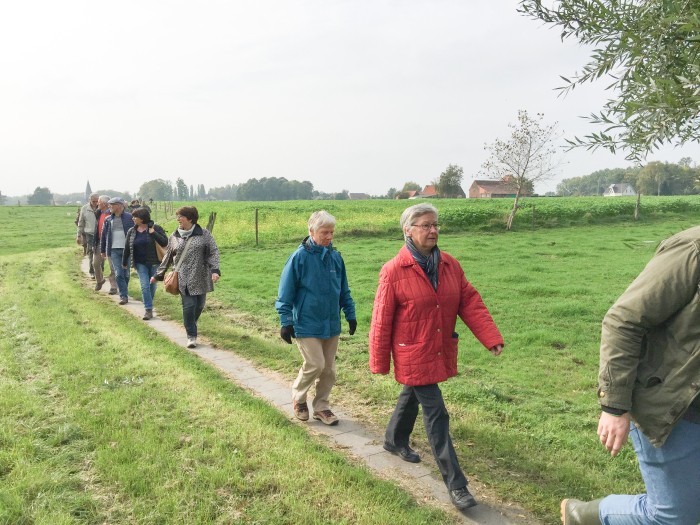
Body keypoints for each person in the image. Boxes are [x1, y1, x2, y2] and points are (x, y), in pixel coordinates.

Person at [369, 203, 504, 512]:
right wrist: (379, 360)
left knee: (411, 396)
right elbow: (381, 319)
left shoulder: (449, 265)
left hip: (438, 348)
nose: (433, 230)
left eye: (435, 225)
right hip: (411, 352)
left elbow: (469, 301)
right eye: (425, 225)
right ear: (408, 230)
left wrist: (491, 338)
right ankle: (456, 484)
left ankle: (394, 439)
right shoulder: (393, 271)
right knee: (437, 414)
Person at [561, 226, 700, 525]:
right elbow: (623, 321)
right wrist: (614, 406)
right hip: (676, 406)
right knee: (673, 517)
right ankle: (584, 515)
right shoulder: (692, 250)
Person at [275, 210, 357, 426]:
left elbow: (343, 290)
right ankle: (299, 397)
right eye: (324, 232)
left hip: (331, 322)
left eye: (332, 232)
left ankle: (321, 407)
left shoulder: (335, 257)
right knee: (316, 364)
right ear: (311, 231)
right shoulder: (299, 258)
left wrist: (350, 314)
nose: (329, 237)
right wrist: (286, 322)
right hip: (306, 321)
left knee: (329, 370)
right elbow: (285, 293)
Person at [152, 206, 220, 348]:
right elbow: (168, 256)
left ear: (190, 218)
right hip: (183, 276)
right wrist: (159, 274)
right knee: (189, 306)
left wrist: (215, 270)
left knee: (199, 305)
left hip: (201, 275)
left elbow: (213, 252)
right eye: (178, 216)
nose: (178, 219)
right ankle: (191, 335)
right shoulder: (174, 236)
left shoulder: (204, 234)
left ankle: (190, 323)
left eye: (181, 216)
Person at [122, 207, 168, 320]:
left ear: (142, 218)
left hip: (155, 262)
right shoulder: (131, 231)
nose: (132, 218)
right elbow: (127, 247)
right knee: (144, 286)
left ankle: (149, 306)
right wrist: (124, 261)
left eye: (135, 217)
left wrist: (153, 233)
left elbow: (165, 242)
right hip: (140, 263)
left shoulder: (156, 228)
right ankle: (148, 309)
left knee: (152, 286)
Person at [101, 197, 135, 305]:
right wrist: (103, 250)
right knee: (118, 273)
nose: (109, 206)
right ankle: (123, 296)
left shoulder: (130, 218)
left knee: (126, 274)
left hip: (127, 251)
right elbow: (104, 236)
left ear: (119, 206)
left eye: (112, 204)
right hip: (114, 250)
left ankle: (123, 289)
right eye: (109, 204)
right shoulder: (108, 220)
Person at [93, 195, 118, 294]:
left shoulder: (113, 214)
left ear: (104, 203)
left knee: (112, 266)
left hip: (111, 243)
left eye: (99, 202)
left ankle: (113, 286)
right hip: (99, 242)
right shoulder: (98, 213)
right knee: (95, 263)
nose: (97, 203)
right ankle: (100, 280)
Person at [76, 193, 99, 277]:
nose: (95, 203)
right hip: (90, 233)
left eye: (97, 201)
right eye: (94, 201)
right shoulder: (84, 208)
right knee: (91, 251)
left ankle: (100, 270)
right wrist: (78, 235)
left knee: (101, 252)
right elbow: (81, 222)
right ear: (90, 200)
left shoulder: (102, 207)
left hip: (100, 233)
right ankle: (92, 271)